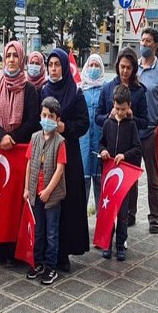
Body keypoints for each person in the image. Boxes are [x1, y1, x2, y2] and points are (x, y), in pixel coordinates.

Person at [0, 41, 40, 266]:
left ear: (21, 59)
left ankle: (15, 249)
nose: (11, 60)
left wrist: (13, 138)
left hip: (19, 153)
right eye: (8, 55)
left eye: (15, 56)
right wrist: (0, 136)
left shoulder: (29, 89)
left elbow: (33, 120)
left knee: (15, 202)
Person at [42, 49, 89, 271]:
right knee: (50, 201)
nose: (53, 68)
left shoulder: (75, 92)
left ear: (63, 66)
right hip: (47, 154)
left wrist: (65, 127)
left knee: (68, 202)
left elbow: (84, 123)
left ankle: (64, 253)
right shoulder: (43, 90)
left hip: (69, 154)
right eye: (50, 64)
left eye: (57, 64)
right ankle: (49, 251)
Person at [23, 96, 67, 285]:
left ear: (57, 119)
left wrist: (49, 190)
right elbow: (29, 163)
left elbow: (60, 168)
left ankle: (51, 267)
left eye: (51, 116)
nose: (46, 119)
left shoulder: (60, 141)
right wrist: (26, 188)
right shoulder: (34, 137)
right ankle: (38, 262)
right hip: (35, 193)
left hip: (52, 196)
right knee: (38, 230)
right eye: (44, 115)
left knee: (51, 233)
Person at [95, 49, 150, 198]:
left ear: (134, 69)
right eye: (122, 67)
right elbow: (97, 117)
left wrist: (132, 117)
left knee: (129, 191)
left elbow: (145, 122)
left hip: (130, 151)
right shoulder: (107, 88)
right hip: (111, 150)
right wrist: (109, 115)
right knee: (110, 190)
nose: (125, 71)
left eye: (129, 68)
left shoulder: (139, 91)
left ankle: (129, 217)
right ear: (117, 66)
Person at [134, 28, 158, 234]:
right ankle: (130, 213)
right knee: (131, 174)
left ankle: (154, 217)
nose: (144, 44)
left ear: (156, 45)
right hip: (134, 131)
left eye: (148, 41)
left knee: (153, 178)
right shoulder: (135, 68)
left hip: (152, 132)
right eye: (142, 40)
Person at [97, 85, 141, 260]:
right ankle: (106, 242)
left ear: (129, 106)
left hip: (124, 177)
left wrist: (125, 155)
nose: (120, 112)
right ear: (112, 105)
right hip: (109, 176)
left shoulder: (131, 125)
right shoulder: (108, 123)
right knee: (108, 210)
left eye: (123, 109)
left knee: (122, 213)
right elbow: (101, 143)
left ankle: (120, 243)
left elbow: (137, 148)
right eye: (117, 108)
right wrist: (103, 152)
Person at [79, 54, 106, 212]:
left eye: (97, 66)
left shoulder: (106, 88)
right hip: (83, 142)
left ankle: (102, 223)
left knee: (100, 182)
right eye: (91, 65)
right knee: (83, 182)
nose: (94, 69)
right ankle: (80, 225)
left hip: (100, 141)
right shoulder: (80, 88)